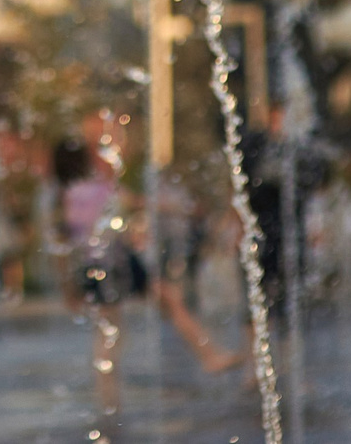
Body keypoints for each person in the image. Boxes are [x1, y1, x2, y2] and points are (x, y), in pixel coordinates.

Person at [52, 140, 239, 415]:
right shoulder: (96, 189)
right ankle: (209, 355)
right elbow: (138, 202)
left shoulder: (65, 195)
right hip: (116, 261)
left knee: (112, 328)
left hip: (93, 265)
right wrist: (182, 208)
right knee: (161, 303)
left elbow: (63, 242)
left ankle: (108, 399)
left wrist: (68, 285)